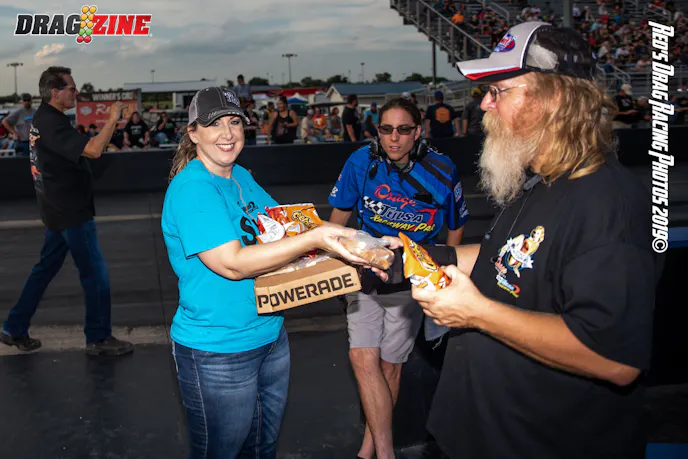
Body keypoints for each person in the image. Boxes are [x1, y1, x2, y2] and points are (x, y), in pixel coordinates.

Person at [378, 22, 658, 459]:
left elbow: (615, 359)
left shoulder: (607, 204)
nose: (484, 104)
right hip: (478, 434)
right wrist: (422, 255)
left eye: (499, 91)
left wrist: (477, 313)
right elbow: (510, 258)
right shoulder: (541, 179)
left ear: (555, 98)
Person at [161, 87, 367, 458]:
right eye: (214, 124)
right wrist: (316, 239)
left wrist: (358, 243)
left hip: (269, 336)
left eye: (234, 122)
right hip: (218, 350)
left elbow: (287, 227)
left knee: (261, 447)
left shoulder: (240, 175)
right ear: (193, 133)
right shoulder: (193, 189)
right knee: (221, 452)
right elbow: (232, 263)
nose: (227, 133)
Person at [328, 97, 469, 459]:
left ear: (417, 131)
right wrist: (333, 264)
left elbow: (456, 227)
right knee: (362, 358)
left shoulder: (442, 169)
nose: (394, 138)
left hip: (410, 280)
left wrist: (442, 276)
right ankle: (385, 453)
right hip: (365, 273)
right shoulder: (360, 161)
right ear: (377, 131)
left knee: (391, 366)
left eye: (403, 129)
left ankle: (368, 449)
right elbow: (338, 219)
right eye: (386, 129)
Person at [0, 66, 133, 355]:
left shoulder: (45, 118)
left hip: (56, 209)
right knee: (95, 274)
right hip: (70, 212)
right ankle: (98, 337)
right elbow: (94, 150)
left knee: (44, 269)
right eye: (71, 88)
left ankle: (14, 327)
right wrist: (112, 118)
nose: (76, 92)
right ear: (55, 92)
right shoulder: (51, 122)